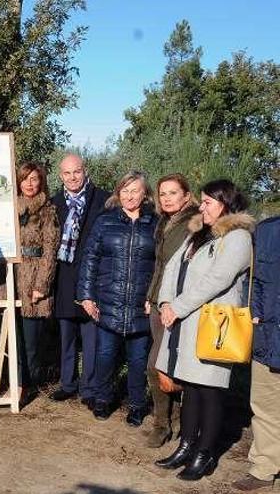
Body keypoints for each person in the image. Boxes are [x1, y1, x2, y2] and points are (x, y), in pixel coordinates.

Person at [154, 179, 254, 481]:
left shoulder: (237, 238)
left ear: (224, 203)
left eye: (207, 201)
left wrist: (177, 307)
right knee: (191, 389)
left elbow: (217, 280)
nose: (202, 206)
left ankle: (204, 453)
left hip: (213, 326)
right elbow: (172, 268)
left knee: (209, 391)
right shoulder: (197, 233)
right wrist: (165, 302)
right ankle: (186, 445)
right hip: (185, 324)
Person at [77, 171, 157, 425]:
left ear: (145, 194)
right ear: (118, 193)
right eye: (125, 190)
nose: (130, 196)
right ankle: (103, 399)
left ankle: (137, 404)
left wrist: (154, 297)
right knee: (105, 355)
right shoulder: (105, 221)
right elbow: (90, 258)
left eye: (135, 190)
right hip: (108, 302)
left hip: (140, 305)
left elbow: (163, 265)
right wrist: (86, 296)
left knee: (138, 360)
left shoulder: (156, 224)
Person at [143, 174, 198, 448]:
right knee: (161, 365)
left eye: (173, 193)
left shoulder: (195, 223)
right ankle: (167, 421)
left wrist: (176, 304)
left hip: (179, 305)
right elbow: (160, 265)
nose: (166, 198)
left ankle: (166, 424)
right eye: (163, 193)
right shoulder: (164, 222)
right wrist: (150, 296)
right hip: (158, 302)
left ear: (186, 195)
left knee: (159, 365)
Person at [50, 154, 110, 407]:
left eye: (76, 172)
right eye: (67, 173)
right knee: (66, 335)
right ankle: (67, 383)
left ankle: (89, 387)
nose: (72, 178)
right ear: (60, 175)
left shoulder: (104, 200)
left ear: (85, 171)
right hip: (64, 276)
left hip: (92, 276)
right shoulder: (53, 203)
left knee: (91, 335)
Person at [233, 215, 280, 491]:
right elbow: (255, 281)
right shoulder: (267, 230)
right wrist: (256, 314)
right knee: (265, 406)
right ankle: (264, 467)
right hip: (268, 337)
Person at [5, 162, 59, 399]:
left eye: (34, 179)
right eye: (25, 178)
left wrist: (41, 285)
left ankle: (29, 384)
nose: (29, 183)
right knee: (12, 337)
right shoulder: (8, 208)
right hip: (9, 278)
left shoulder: (48, 209)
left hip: (33, 278)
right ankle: (16, 382)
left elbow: (50, 249)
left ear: (41, 182)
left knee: (31, 340)